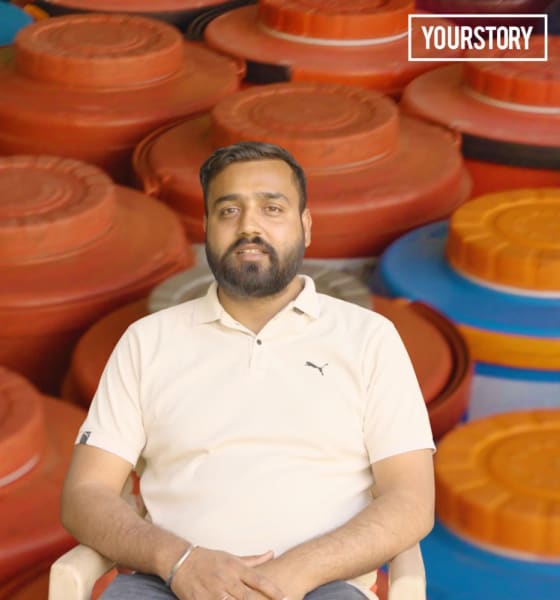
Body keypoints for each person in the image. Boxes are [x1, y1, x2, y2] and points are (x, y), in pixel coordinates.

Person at [59, 141, 435, 600]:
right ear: (207, 228)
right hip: (167, 582)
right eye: (229, 211)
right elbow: (86, 494)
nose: (249, 226)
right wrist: (180, 562)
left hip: (320, 587)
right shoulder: (148, 341)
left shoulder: (368, 338)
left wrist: (294, 574)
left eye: (272, 208)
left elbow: (411, 499)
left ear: (306, 226)